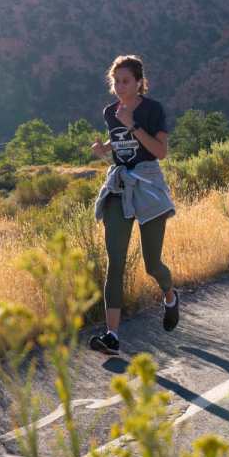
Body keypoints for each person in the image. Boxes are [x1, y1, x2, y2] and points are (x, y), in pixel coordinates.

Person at [88, 55, 179, 356]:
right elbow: (122, 138)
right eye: (116, 81)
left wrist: (134, 124)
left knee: (152, 264)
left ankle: (170, 297)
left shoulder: (153, 109)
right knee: (115, 263)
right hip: (120, 185)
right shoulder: (109, 112)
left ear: (139, 82)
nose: (120, 86)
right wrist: (107, 147)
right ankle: (112, 336)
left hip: (149, 185)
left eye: (126, 80)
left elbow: (160, 151)